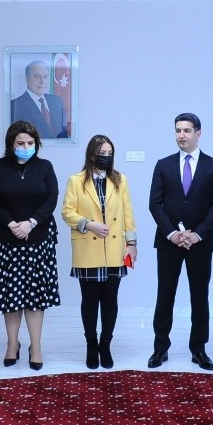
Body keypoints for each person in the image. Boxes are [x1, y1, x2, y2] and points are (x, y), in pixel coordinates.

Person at [148, 112, 213, 370]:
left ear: (198, 133)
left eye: (187, 130)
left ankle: (199, 349)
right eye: (178, 130)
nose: (181, 135)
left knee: (199, 297)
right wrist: (172, 234)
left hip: (200, 243)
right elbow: (155, 204)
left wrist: (197, 234)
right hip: (168, 242)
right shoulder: (163, 165)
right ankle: (160, 348)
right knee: (165, 296)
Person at [0, 120, 60, 370]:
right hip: (6, 241)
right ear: (11, 144)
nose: (26, 147)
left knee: (35, 298)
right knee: (11, 296)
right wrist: (11, 223)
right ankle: (12, 343)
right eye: (20, 143)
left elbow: (51, 199)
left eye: (30, 143)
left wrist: (31, 223)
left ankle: (36, 346)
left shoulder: (44, 167)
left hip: (38, 241)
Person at [61, 135, 137, 370]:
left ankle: (106, 344)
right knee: (90, 300)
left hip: (115, 249)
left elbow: (128, 214)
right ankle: (91, 345)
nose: (106, 157)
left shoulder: (120, 180)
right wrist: (88, 224)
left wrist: (132, 243)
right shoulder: (76, 180)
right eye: (102, 153)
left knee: (110, 300)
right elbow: (67, 212)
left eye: (110, 153)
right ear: (91, 154)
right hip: (88, 248)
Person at [10, 61, 68, 139]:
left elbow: (63, 132)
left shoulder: (56, 101)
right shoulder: (15, 105)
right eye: (37, 76)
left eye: (45, 76)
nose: (42, 81)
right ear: (27, 79)